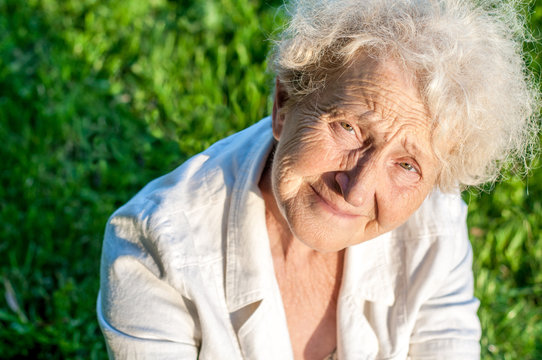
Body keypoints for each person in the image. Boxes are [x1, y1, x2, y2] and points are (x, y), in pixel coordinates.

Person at [97, 0, 538, 358]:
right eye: (348, 127)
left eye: (408, 165)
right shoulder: (155, 249)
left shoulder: (435, 230)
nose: (358, 188)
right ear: (284, 103)